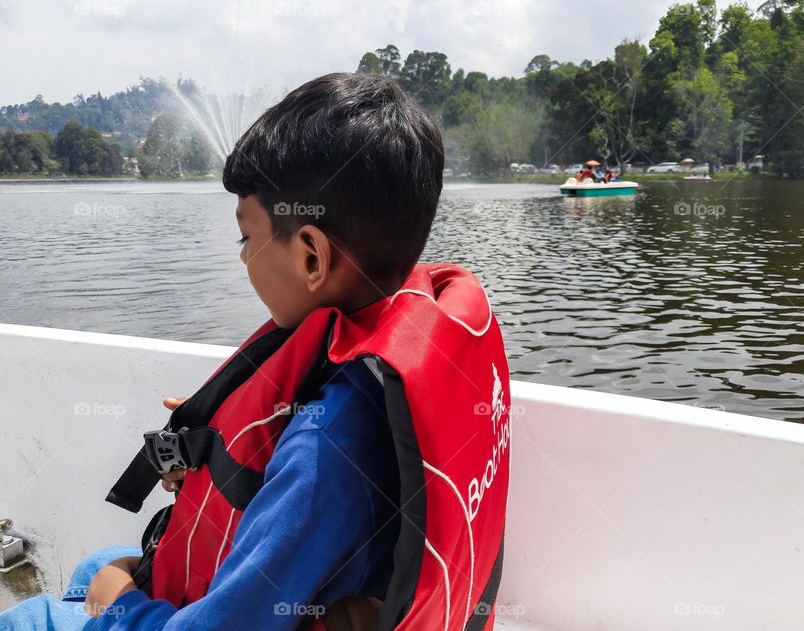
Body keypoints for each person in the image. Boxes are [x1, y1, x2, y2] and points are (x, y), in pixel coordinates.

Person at [0, 73, 512, 631]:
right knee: (101, 565)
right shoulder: (404, 330)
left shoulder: (326, 449)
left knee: (37, 613)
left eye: (246, 238)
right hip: (344, 590)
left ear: (313, 258)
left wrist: (120, 605)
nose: (243, 258)